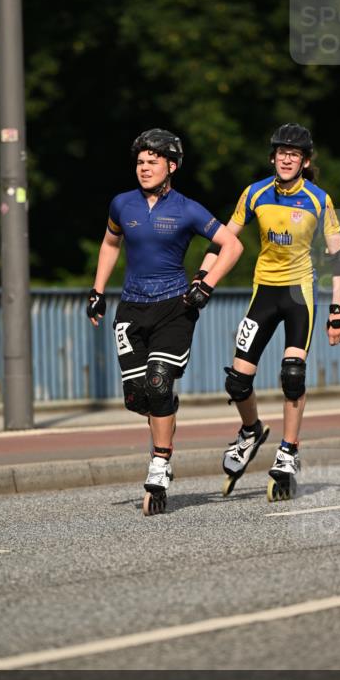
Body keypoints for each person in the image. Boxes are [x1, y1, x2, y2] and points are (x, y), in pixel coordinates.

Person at [87, 128, 243, 513]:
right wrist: (96, 290)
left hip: (175, 306)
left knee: (157, 382)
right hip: (131, 306)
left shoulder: (188, 209)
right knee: (138, 397)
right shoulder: (122, 205)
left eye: (152, 162)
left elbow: (232, 245)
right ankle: (164, 410)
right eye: (140, 162)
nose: (144, 168)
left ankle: (159, 464)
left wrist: (206, 284)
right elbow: (110, 244)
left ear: (171, 166)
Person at [196, 122, 340, 500]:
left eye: (294, 154)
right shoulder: (254, 193)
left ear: (305, 161)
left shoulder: (318, 199)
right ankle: (250, 432)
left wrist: (337, 311)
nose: (286, 158)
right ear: (272, 157)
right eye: (281, 152)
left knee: (292, 375)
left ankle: (288, 452)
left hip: (299, 295)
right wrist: (202, 277)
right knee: (237, 381)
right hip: (263, 292)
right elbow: (223, 238)